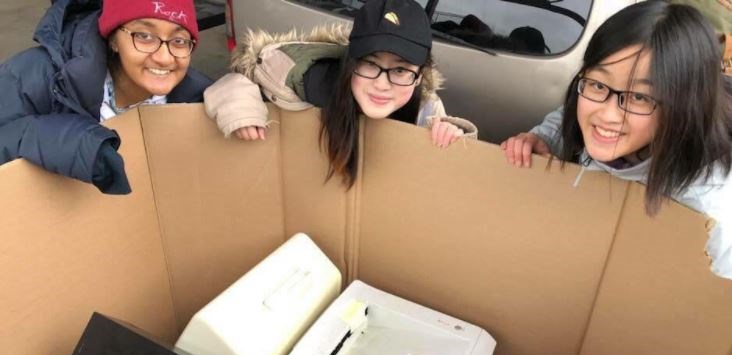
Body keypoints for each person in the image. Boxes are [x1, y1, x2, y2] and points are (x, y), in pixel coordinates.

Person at [500, 1, 732, 279]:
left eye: (640, 97)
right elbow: (566, 116)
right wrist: (543, 138)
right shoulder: (597, 108)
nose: (607, 115)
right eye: (598, 84)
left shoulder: (708, 213)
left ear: (683, 106)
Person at [204, 0, 477, 187]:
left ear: (420, 76)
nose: (382, 84)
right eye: (371, 64)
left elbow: (448, 183)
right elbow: (235, 80)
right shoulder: (302, 78)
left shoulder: (425, 106)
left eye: (401, 70)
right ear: (350, 62)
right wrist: (240, 106)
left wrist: (454, 137)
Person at [0, 0, 212, 195]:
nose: (164, 58)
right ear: (113, 39)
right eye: (144, 36)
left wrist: (231, 95)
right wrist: (75, 142)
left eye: (179, 40)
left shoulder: (196, 99)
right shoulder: (33, 76)